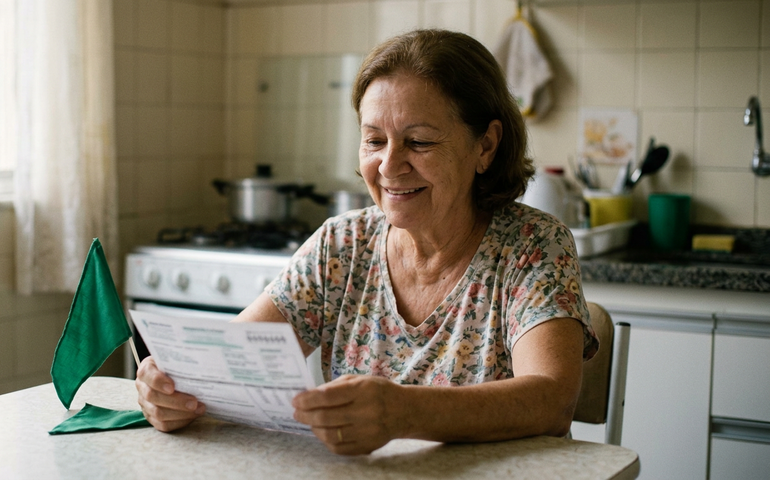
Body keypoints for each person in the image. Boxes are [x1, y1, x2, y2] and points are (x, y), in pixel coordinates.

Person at [135, 28, 599, 456]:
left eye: (418, 142)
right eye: (374, 140)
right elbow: (232, 366)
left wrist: (404, 411)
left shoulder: (532, 245)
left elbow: (551, 400)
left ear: (485, 146)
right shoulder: (343, 244)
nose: (389, 166)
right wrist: (172, 389)